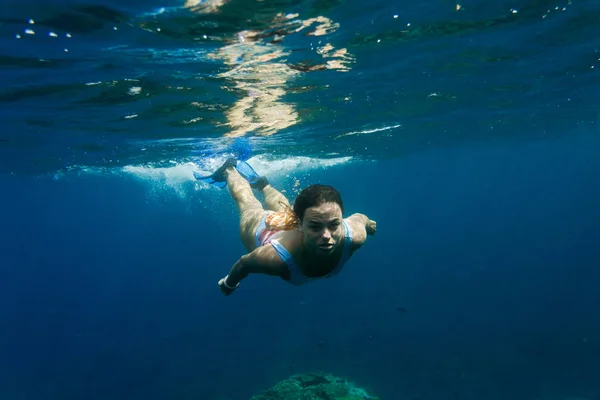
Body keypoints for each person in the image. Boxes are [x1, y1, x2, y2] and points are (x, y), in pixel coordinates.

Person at [195, 158, 377, 296]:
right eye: (315, 227)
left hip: (296, 222)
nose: (327, 236)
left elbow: (359, 218)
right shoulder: (276, 258)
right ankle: (229, 170)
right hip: (263, 232)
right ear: (300, 224)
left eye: (334, 224)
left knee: (288, 209)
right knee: (248, 204)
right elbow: (244, 264)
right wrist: (229, 283)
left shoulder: (355, 236)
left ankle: (263, 185)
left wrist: (368, 224)